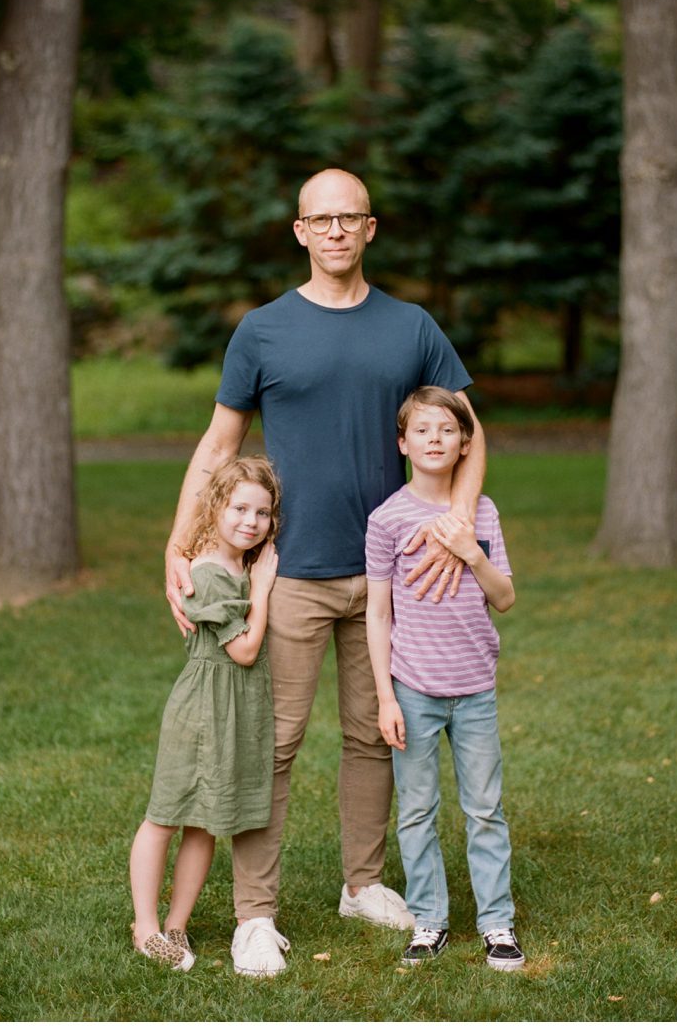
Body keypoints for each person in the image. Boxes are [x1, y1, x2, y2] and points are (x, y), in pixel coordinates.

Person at [163, 168, 487, 977]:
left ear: (370, 228)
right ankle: (255, 915)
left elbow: (470, 433)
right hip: (288, 575)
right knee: (268, 747)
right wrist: (178, 544)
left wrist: (456, 521)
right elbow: (218, 445)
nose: (337, 231)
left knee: (375, 736)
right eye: (321, 219)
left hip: (392, 577)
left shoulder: (411, 326)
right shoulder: (263, 330)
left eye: (351, 217)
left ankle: (362, 883)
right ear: (299, 231)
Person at [365, 386, 525, 972]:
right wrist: (386, 697)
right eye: (423, 430)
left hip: (475, 688)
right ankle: (428, 921)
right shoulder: (387, 519)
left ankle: (497, 925)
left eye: (447, 430)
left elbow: (505, 598)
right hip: (412, 688)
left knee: (485, 808)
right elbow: (378, 612)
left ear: (464, 443)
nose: (435, 439)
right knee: (417, 809)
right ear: (403, 443)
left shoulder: (482, 513)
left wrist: (470, 552)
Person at [130, 456, 281, 971]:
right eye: (239, 508)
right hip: (201, 710)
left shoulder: (242, 563)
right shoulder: (210, 573)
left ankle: (177, 926)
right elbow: (242, 650)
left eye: (262, 513)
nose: (250, 521)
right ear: (216, 507)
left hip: (235, 710)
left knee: (205, 822)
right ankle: (146, 928)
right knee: (166, 817)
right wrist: (261, 592)